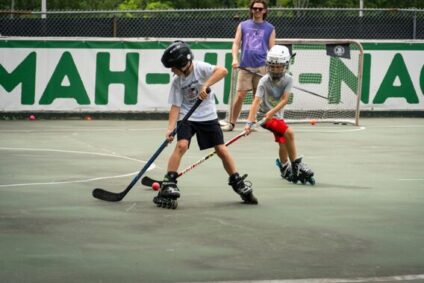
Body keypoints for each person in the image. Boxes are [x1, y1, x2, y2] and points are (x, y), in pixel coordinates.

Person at [153, 41, 258, 209]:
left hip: (207, 115)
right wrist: (170, 129)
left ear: (182, 64)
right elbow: (175, 106)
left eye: (173, 67)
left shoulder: (200, 68)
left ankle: (237, 182)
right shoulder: (177, 81)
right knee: (181, 145)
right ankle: (169, 182)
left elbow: (222, 71)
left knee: (221, 149)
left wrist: (206, 84)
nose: (172, 71)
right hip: (187, 115)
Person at [244, 45, 315, 185]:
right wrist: (249, 122)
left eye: (279, 67)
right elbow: (256, 102)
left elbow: (284, 100)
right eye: (272, 66)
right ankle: (296, 165)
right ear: (267, 65)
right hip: (264, 118)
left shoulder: (288, 79)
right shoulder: (263, 81)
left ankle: (284, 167)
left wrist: (272, 112)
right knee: (289, 133)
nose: (275, 70)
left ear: (286, 65)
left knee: (283, 141)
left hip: (275, 116)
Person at [221, 0, 276, 132]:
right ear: (251, 10)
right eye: (255, 8)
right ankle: (232, 123)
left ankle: (251, 122)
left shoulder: (270, 28)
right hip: (245, 66)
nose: (257, 11)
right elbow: (236, 44)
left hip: (262, 67)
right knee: (240, 95)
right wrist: (235, 59)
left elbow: (272, 48)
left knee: (257, 98)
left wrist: (272, 66)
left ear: (264, 11)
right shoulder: (243, 25)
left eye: (260, 9)